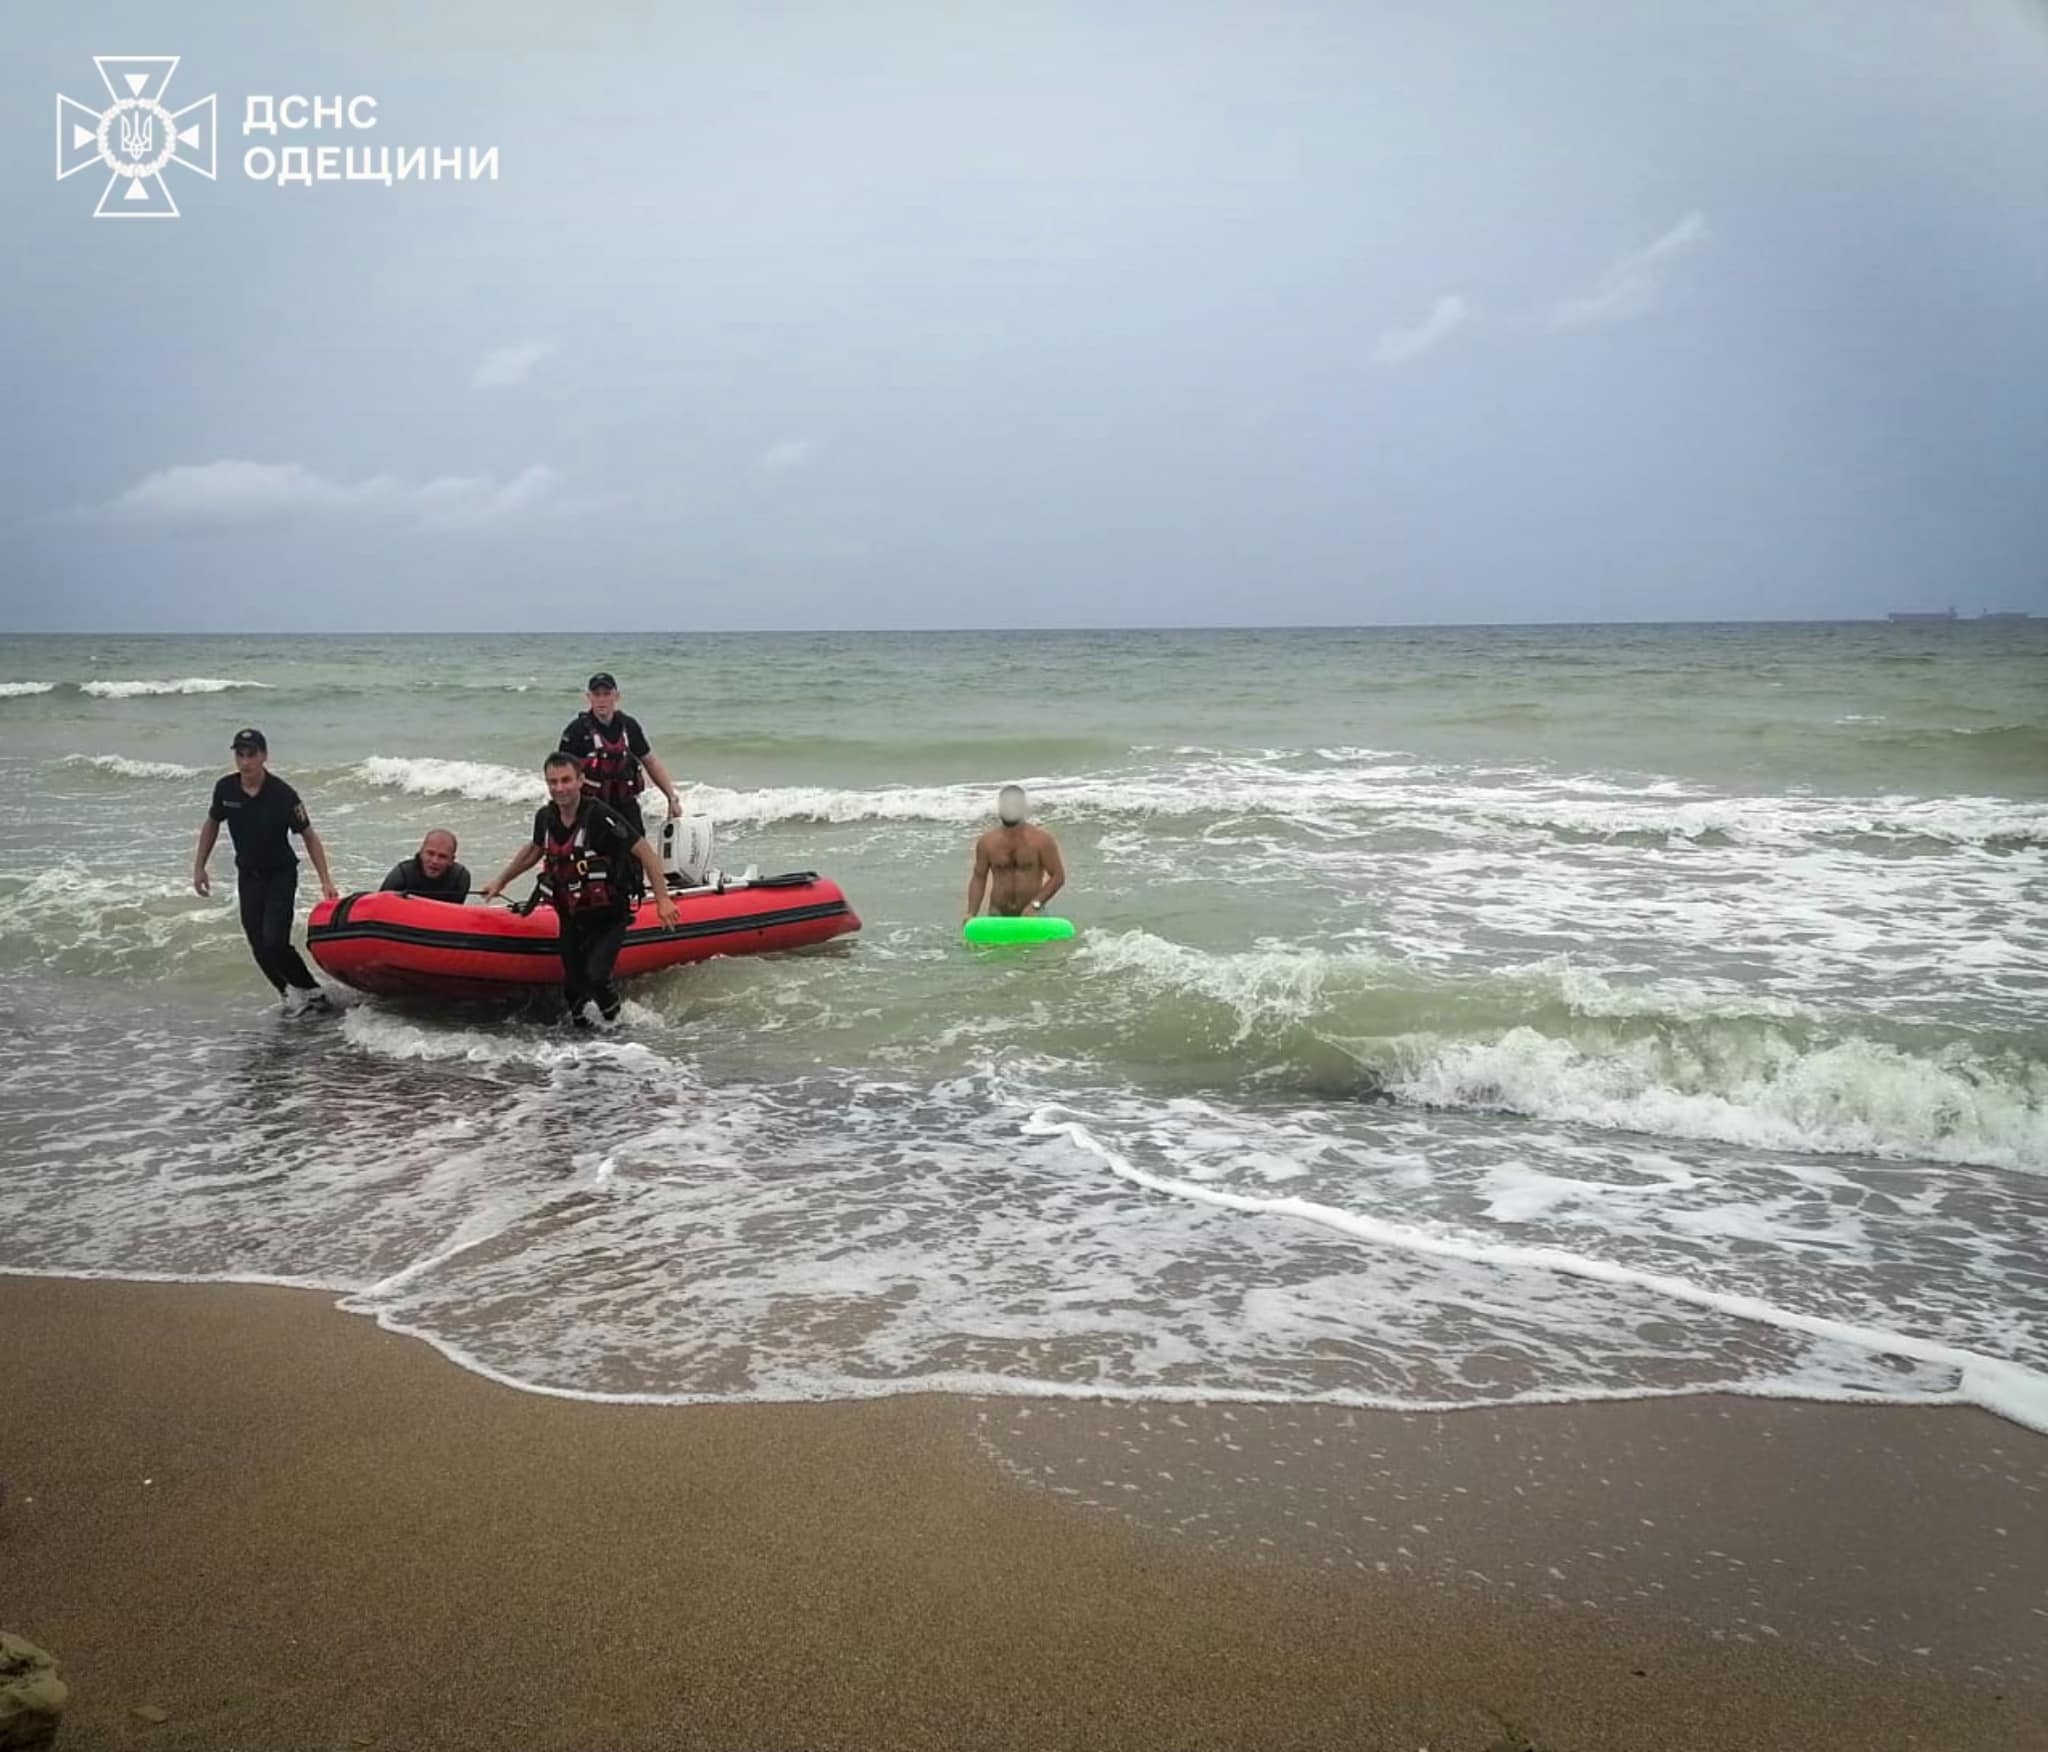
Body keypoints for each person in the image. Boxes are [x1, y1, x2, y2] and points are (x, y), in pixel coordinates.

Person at [479, 752, 680, 1028]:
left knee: (597, 978)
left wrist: (663, 899)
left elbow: (645, 851)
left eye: (566, 780)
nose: (559, 788)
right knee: (573, 990)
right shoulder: (546, 817)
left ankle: (618, 1030)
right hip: (571, 914)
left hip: (610, 915)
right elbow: (533, 851)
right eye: (553, 782)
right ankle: (583, 1053)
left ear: (581, 780)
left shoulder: (599, 815)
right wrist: (500, 881)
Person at [192, 727, 339, 1013]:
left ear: (264, 756)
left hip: (280, 875)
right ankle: (289, 997)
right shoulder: (225, 789)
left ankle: (313, 993)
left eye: (251, 755)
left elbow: (309, 835)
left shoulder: (283, 794)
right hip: (248, 877)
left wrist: (325, 880)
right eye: (240, 754)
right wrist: (199, 867)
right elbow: (212, 824)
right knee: (258, 946)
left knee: (274, 942)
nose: (245, 761)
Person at [558, 671, 683, 841]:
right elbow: (559, 773)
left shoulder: (629, 726)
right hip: (591, 807)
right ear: (588, 697)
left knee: (637, 856)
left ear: (616, 696)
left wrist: (671, 797)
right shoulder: (576, 731)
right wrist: (563, 809)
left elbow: (650, 761)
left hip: (626, 805)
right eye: (596, 694)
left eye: (607, 694)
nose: (601, 699)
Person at [965, 784, 1067, 921]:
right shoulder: (987, 843)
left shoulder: (1041, 841)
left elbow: (1058, 877)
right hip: (998, 914)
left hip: (1032, 914)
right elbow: (979, 878)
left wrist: (1035, 905)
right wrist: (971, 913)